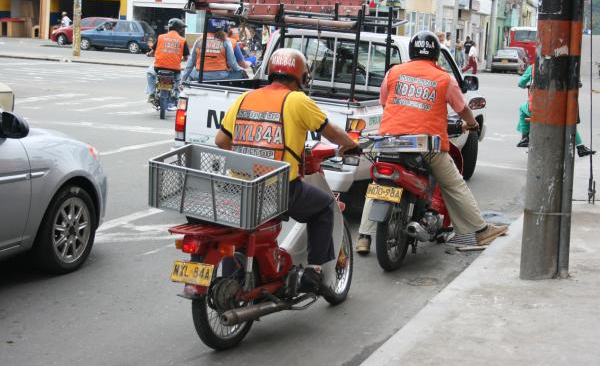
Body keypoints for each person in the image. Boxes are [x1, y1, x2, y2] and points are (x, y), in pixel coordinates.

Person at [215, 48, 359, 293]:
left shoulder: (245, 98)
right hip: (279, 188)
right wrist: (349, 144)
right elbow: (330, 131)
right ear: (301, 77)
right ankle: (313, 272)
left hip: (243, 186)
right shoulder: (297, 100)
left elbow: (221, 140)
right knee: (325, 207)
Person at [355, 31, 508, 255]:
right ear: (436, 55)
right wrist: (472, 123)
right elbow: (462, 109)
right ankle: (480, 229)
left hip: (388, 141)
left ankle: (363, 238)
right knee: (454, 184)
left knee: (378, 185)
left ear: (412, 52)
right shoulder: (444, 78)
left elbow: (384, 102)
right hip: (425, 145)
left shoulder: (394, 72)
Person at [516, 64, 595, 156]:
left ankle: (525, 137)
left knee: (522, 108)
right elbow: (578, 83)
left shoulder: (534, 67)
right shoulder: (568, 65)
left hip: (539, 107)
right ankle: (580, 147)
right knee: (568, 122)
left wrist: (526, 85)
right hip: (561, 105)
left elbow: (521, 82)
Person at [145, 18, 190, 109]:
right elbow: (185, 58)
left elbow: (152, 52)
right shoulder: (182, 40)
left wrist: (148, 54)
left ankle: (152, 94)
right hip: (175, 70)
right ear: (178, 29)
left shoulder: (161, 37)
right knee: (179, 83)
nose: (182, 30)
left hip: (158, 68)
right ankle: (177, 98)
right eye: (181, 29)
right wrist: (178, 59)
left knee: (149, 73)